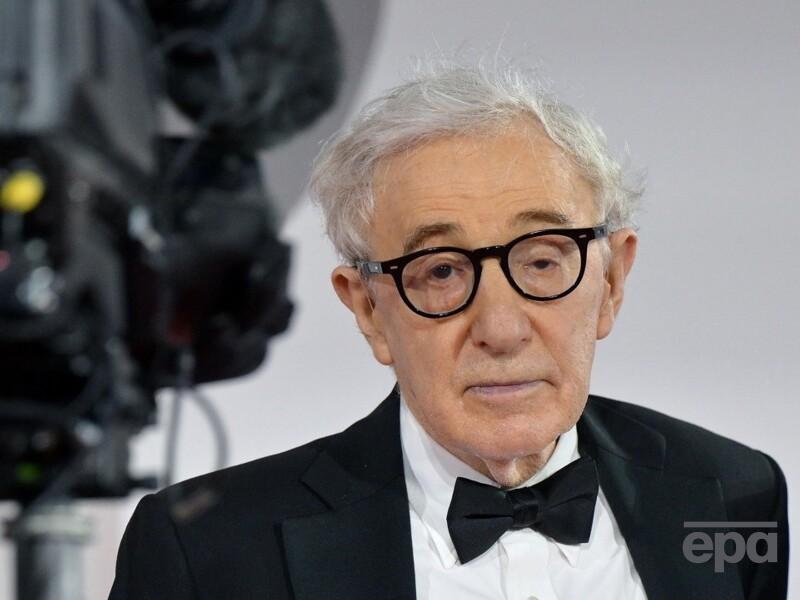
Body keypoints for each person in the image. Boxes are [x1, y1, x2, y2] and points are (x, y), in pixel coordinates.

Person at [109, 61, 789, 600]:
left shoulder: (734, 495)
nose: (501, 329)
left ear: (611, 282)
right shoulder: (208, 553)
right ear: (368, 309)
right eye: (440, 271)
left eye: (542, 260)